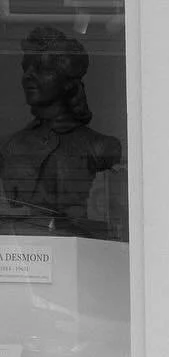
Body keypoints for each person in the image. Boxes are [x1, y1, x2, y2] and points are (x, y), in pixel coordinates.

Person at [0, 26, 122, 234]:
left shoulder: (100, 146)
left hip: (75, 253)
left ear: (67, 82)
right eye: (26, 67)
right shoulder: (8, 146)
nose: (28, 76)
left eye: (42, 69)